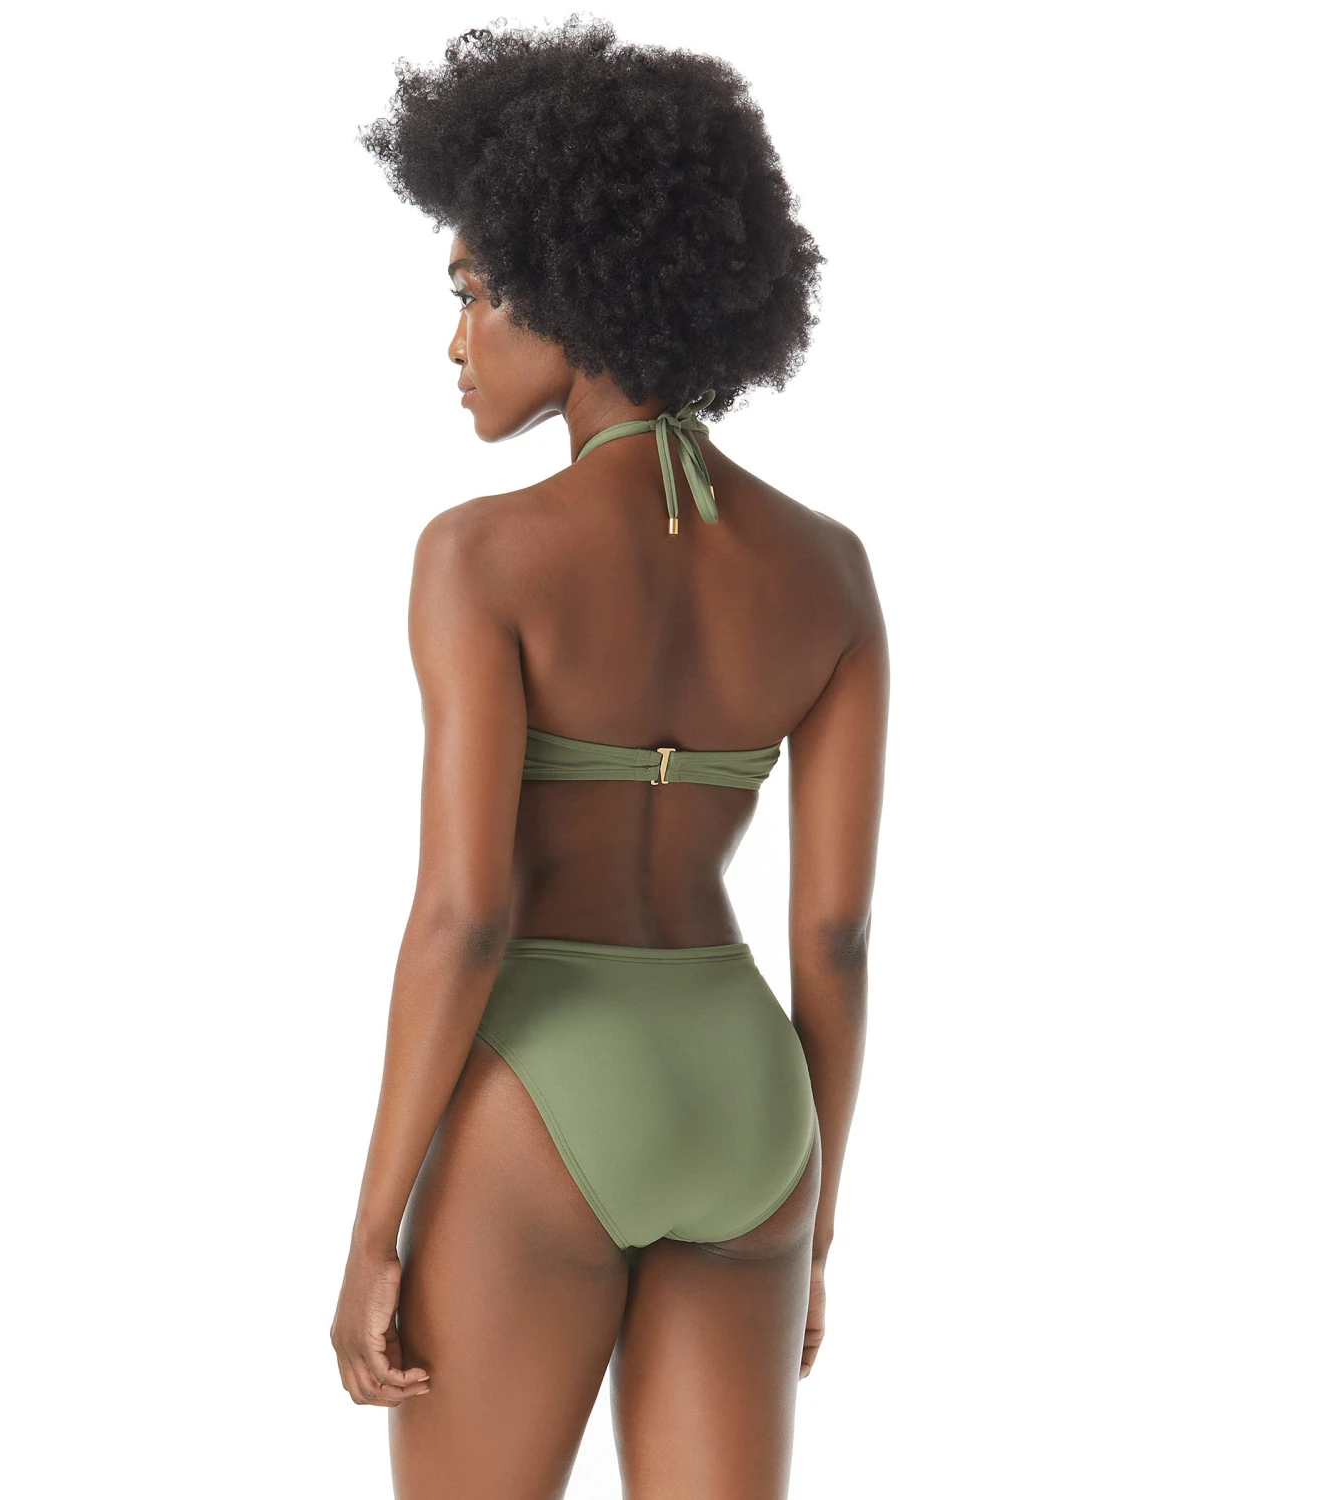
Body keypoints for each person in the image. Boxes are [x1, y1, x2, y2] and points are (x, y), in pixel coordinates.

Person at [332, 19, 887, 1498]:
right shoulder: (830, 572)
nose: (455, 342)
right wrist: (818, 1210)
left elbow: (465, 916)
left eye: (473, 292)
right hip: (754, 1104)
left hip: (547, 1087)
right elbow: (835, 935)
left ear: (571, 282)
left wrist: (373, 1230)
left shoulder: (480, 557)